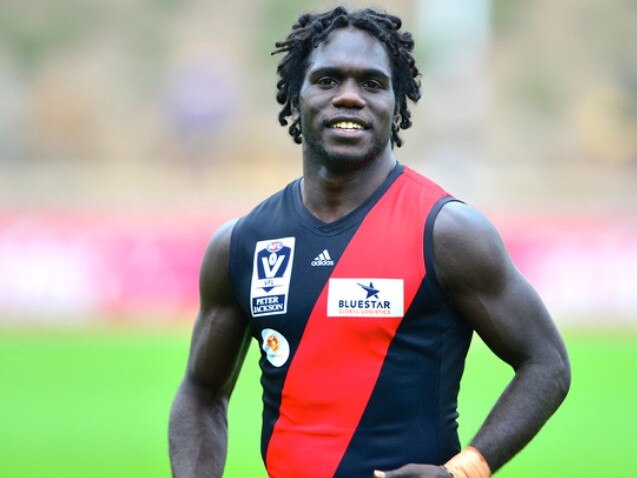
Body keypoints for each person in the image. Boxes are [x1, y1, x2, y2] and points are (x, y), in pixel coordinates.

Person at [168, 6, 571, 478]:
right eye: (327, 80)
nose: (349, 98)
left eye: (372, 84)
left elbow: (547, 363)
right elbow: (201, 391)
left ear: (397, 104)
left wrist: (462, 472)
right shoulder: (243, 243)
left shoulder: (446, 233)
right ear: (296, 95)